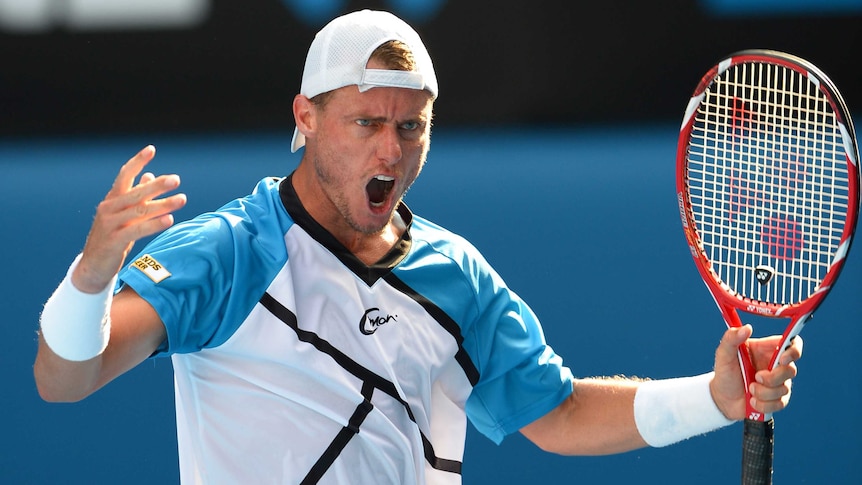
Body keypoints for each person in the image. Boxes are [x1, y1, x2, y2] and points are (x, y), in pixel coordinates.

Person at [34, 9, 802, 485]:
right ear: (305, 116)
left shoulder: (455, 276)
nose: (390, 153)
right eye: (365, 123)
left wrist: (714, 398)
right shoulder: (232, 252)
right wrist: (92, 275)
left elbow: (558, 412)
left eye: (411, 127)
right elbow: (66, 377)